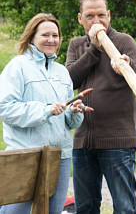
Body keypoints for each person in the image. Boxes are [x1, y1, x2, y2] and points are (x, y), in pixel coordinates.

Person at [66, 0, 136, 214]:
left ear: (109, 15)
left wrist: (127, 67)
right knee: (85, 207)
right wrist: (94, 49)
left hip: (118, 141)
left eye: (101, 15)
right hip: (83, 141)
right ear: (80, 18)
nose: (96, 20)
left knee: (125, 207)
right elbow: (69, 81)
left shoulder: (124, 41)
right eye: (90, 16)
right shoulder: (76, 45)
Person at [0, 13, 84, 214]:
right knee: (14, 212)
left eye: (55, 35)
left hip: (60, 156)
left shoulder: (62, 72)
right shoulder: (17, 67)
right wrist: (45, 110)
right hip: (25, 154)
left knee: (53, 212)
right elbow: (5, 108)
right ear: (32, 37)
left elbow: (69, 122)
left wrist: (74, 111)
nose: (51, 40)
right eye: (45, 35)